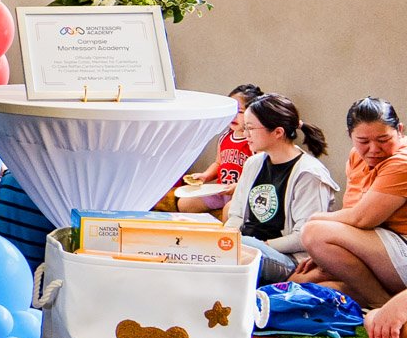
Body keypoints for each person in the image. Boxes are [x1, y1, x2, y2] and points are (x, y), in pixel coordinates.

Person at [297, 98, 407, 307]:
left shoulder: (402, 162)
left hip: (401, 248)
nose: (374, 149)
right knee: (305, 282)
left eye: (383, 139)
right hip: (382, 250)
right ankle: (387, 301)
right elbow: (350, 211)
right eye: (363, 141)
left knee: (313, 231)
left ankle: (381, 306)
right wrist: (326, 253)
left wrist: (317, 224)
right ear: (351, 137)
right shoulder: (357, 157)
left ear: (399, 130)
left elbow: (362, 218)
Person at [224, 92, 336, 283]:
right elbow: (236, 216)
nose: (245, 134)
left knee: (240, 249)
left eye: (250, 128)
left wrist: (258, 244)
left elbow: (304, 237)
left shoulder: (309, 173)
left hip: (287, 258)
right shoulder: (254, 163)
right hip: (247, 245)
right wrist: (223, 240)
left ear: (277, 132)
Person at [161, 84, 263, 213]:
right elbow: (218, 163)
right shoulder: (225, 137)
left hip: (243, 191)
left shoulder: (254, 141)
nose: (234, 115)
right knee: (184, 204)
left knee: (229, 210)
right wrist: (205, 176)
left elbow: (260, 172)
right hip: (221, 191)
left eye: (240, 112)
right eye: (231, 109)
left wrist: (240, 186)